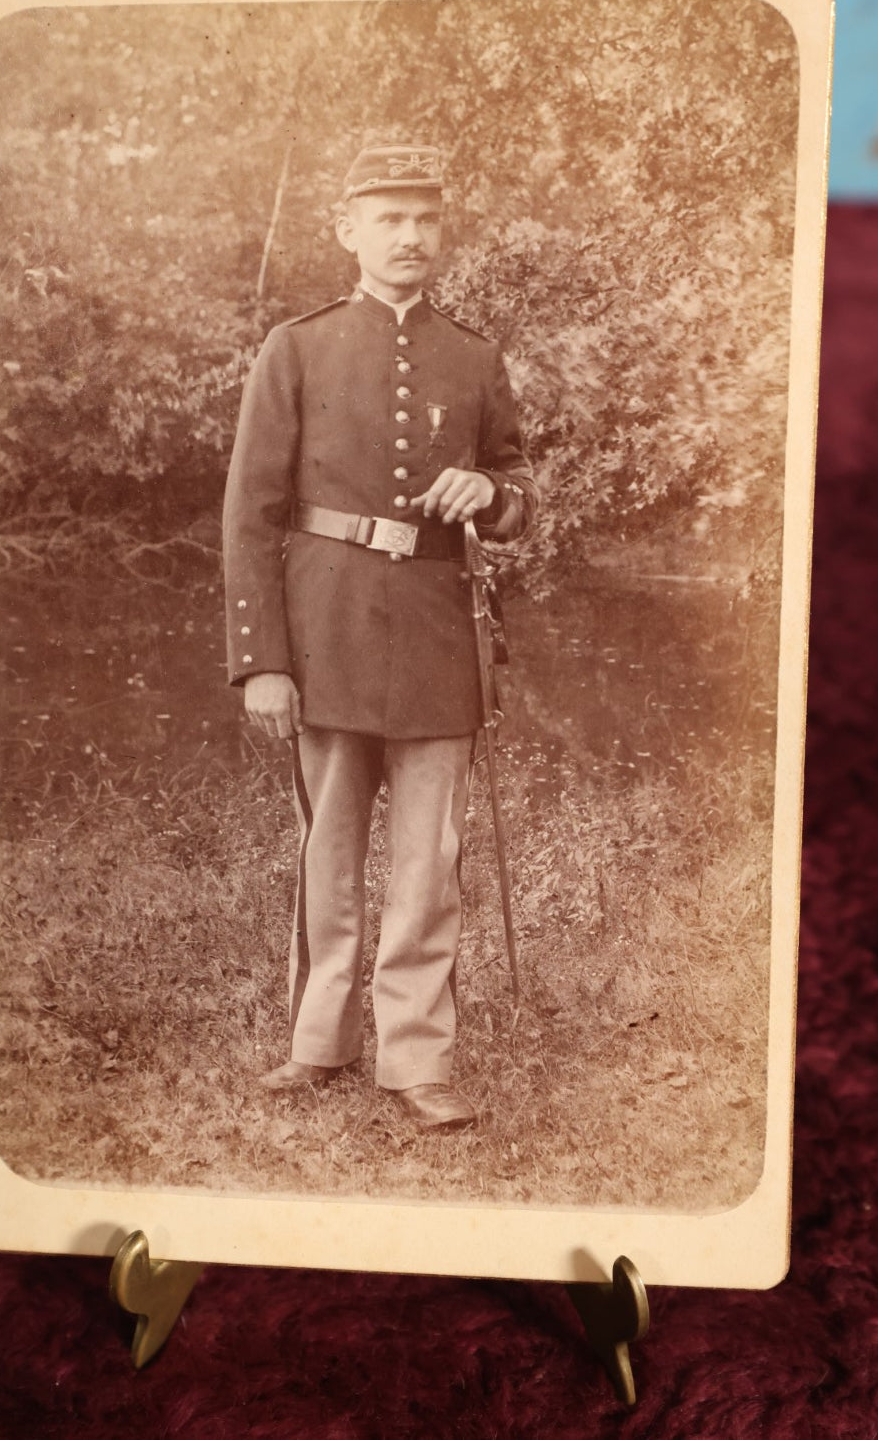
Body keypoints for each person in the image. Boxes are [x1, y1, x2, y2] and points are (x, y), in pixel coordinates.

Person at [222, 144, 536, 1130]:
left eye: (425, 220)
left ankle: (415, 1055)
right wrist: (262, 658)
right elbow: (249, 512)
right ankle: (319, 1039)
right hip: (327, 627)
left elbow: (522, 488)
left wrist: (491, 493)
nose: (409, 238)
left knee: (427, 858)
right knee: (332, 846)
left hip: (441, 633)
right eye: (389, 218)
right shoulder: (297, 347)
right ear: (349, 229)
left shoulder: (475, 356)